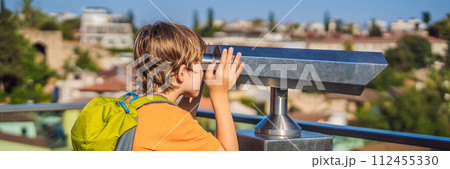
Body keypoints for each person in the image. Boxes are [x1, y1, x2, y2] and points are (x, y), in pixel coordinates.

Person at [130, 22, 245, 151]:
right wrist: (220, 96)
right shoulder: (170, 121)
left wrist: (197, 79)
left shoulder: (132, 101)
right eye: (199, 64)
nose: (203, 70)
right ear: (182, 73)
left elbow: (179, 122)